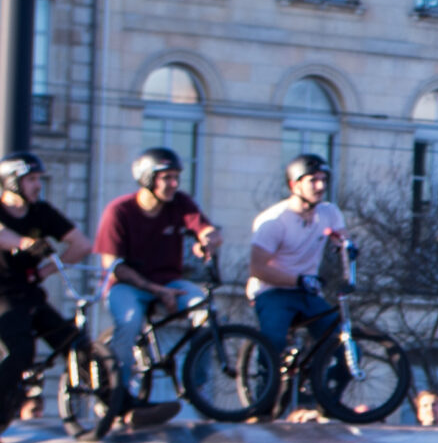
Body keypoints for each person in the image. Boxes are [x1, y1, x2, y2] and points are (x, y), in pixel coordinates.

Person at [0, 153, 92, 443]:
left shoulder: (41, 212)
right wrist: (25, 243)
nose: (38, 185)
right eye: (32, 179)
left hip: (28, 290)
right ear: (13, 181)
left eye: (38, 179)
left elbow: (82, 244)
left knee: (75, 342)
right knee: (22, 350)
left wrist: (48, 270)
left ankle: (119, 405)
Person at [95, 147, 221, 398]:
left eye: (176, 177)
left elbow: (210, 231)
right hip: (126, 285)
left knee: (206, 312)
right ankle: (116, 388)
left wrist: (206, 241)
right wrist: (157, 291)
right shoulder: (119, 211)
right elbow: (112, 266)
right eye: (167, 178)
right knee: (129, 323)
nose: (174, 184)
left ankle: (196, 383)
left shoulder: (180, 203)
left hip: (170, 281)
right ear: (146, 178)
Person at [245, 154, 347, 363]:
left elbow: (346, 244)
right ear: (294, 184)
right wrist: (298, 280)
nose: (320, 186)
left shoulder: (329, 213)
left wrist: (347, 261)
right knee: (273, 342)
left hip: (307, 292)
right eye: (313, 180)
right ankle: (265, 388)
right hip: (272, 292)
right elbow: (257, 268)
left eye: (323, 180)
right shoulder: (274, 221)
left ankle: (323, 388)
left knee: (342, 346)